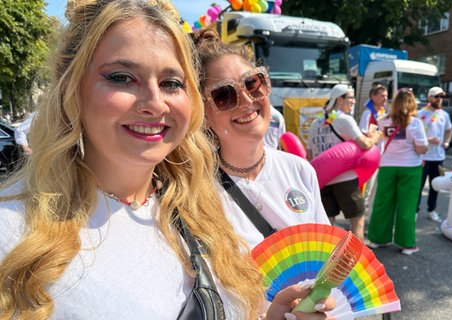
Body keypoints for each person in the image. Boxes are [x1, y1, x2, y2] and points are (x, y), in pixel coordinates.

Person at [0, 2, 333, 319]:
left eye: (171, 83)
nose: (156, 103)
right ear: (70, 89)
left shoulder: (197, 208)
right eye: (121, 77)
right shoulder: (13, 229)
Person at [191, 29, 330, 250]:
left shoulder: (300, 171)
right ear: (204, 114)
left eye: (252, 83)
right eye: (224, 94)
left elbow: (326, 252)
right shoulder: (196, 190)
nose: (246, 101)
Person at [306, 84, 380, 240]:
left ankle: (325, 258)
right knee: (357, 220)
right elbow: (365, 144)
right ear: (339, 100)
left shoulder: (315, 124)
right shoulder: (345, 120)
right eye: (351, 98)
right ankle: (358, 260)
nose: (353, 101)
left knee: (327, 222)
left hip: (323, 181)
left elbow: (310, 155)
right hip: (345, 180)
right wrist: (376, 136)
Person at [366, 89, 428, 255]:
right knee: (406, 206)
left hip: (387, 165)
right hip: (410, 167)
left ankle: (378, 239)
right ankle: (406, 244)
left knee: (383, 203)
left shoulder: (383, 121)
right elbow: (421, 148)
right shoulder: (415, 123)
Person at [416, 86, 452, 223]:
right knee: (418, 186)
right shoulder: (421, 114)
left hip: (438, 157)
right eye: (437, 96)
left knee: (436, 185)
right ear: (429, 98)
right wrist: (428, 140)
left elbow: (449, 130)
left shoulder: (444, 115)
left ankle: (432, 210)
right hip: (423, 157)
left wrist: (447, 143)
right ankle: (415, 211)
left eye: (442, 97)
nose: (439, 99)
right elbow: (414, 134)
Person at [358, 83, 389, 220]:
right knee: (366, 190)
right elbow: (362, 133)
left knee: (377, 191)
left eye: (386, 96)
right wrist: (378, 133)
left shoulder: (385, 113)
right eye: (382, 95)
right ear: (373, 96)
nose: (385, 98)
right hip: (370, 157)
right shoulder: (368, 113)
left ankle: (370, 219)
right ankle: (360, 220)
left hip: (383, 157)